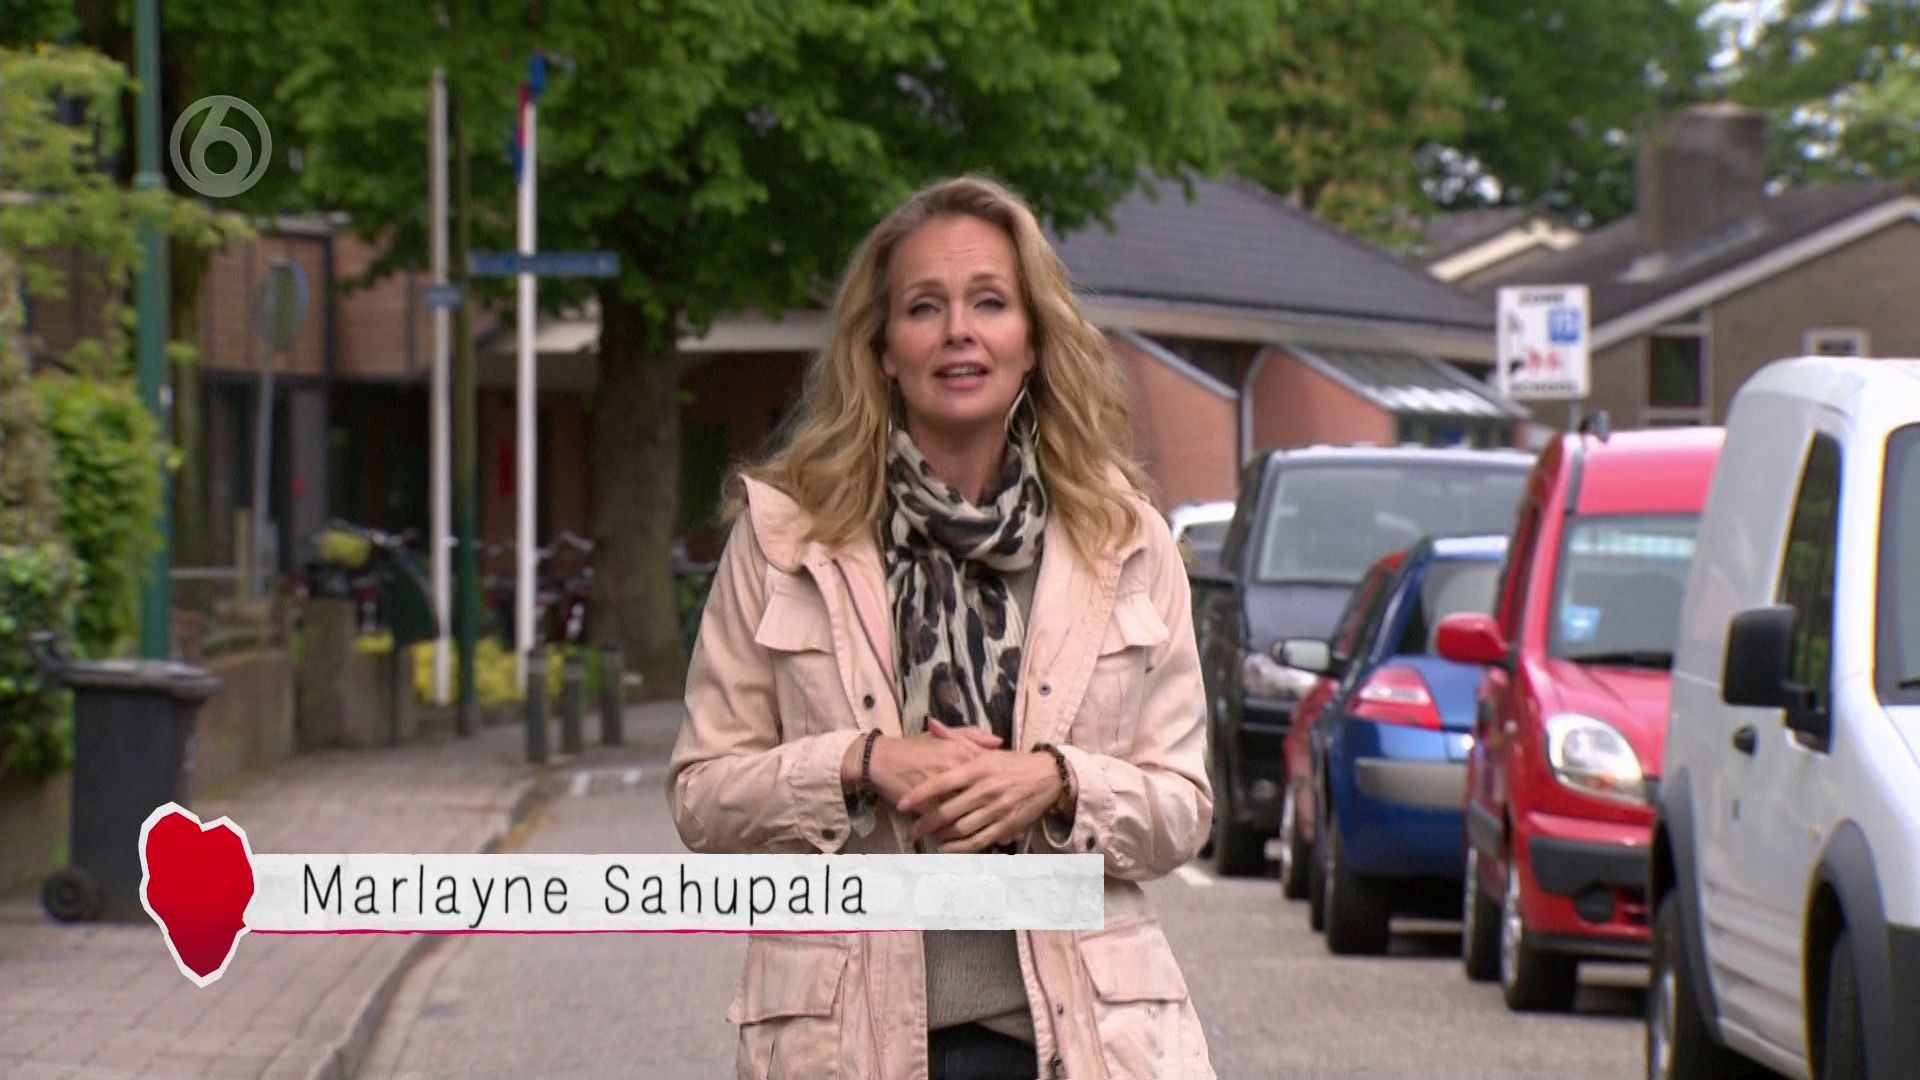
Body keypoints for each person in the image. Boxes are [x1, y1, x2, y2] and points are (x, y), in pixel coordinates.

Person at [669, 175, 1214, 1080]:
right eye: (925, 307)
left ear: (1032, 339)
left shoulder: (1125, 541)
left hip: (1080, 1046)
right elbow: (700, 796)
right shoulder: (784, 538)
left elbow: (1183, 809)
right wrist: (861, 763)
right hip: (846, 1048)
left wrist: (1056, 783)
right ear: (883, 348)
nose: (959, 330)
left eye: (989, 302)